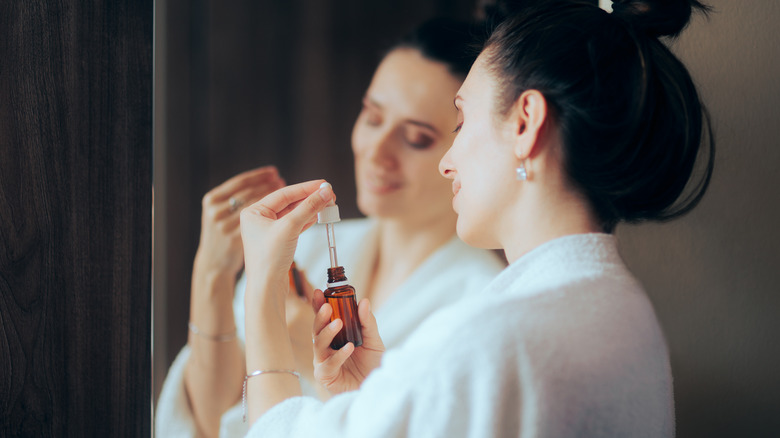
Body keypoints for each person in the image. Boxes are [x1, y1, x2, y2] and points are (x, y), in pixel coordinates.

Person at [237, 0, 715, 436]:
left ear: (526, 123)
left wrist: (262, 285)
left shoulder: (490, 338)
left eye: (461, 122)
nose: (449, 161)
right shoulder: (621, 310)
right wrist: (366, 398)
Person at [155, 18, 506, 438]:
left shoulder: (481, 304)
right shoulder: (306, 251)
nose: (377, 152)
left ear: (464, 147)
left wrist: (308, 357)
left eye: (415, 139)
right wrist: (212, 274)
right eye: (373, 118)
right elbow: (211, 422)